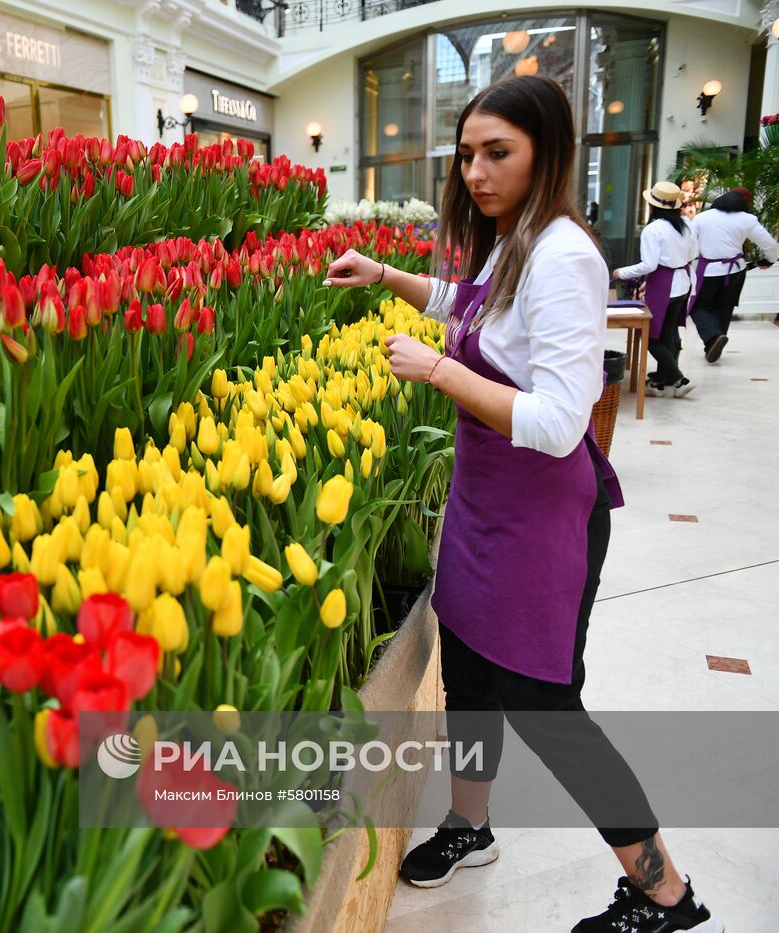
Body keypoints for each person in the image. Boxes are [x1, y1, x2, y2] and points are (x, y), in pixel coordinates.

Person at [325, 75, 722, 932]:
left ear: (547, 153)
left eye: (497, 152)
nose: (475, 171)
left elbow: (554, 418)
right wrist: (384, 272)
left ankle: (668, 896)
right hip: (481, 508)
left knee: (546, 707)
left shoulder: (565, 256)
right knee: (466, 674)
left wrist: (436, 370)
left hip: (541, 522)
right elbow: (468, 313)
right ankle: (472, 823)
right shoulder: (512, 243)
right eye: (466, 153)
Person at [611, 182, 699, 398]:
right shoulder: (686, 224)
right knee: (668, 332)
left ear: (653, 206)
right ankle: (660, 381)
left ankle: (679, 379)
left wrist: (622, 272)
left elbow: (648, 265)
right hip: (683, 281)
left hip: (663, 283)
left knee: (649, 336)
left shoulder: (653, 229)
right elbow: (694, 253)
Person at [688, 188, 778, 363]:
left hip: (709, 270)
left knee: (698, 307)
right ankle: (714, 344)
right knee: (724, 308)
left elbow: (690, 245)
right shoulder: (748, 219)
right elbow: (770, 244)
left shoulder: (701, 218)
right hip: (736, 271)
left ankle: (713, 339)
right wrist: (770, 260)